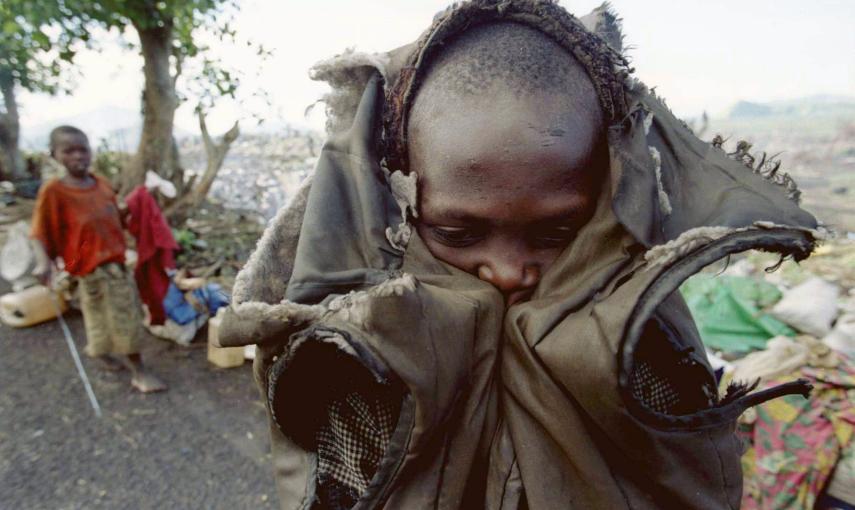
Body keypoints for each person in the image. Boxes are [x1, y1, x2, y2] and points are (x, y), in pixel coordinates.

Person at [219, 1, 821, 508]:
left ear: (606, 206)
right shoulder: (355, 351)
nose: (508, 271)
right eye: (458, 234)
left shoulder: (642, 343)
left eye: (556, 234)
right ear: (401, 203)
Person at [31, 125, 167, 393]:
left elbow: (116, 214)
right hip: (86, 271)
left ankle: (121, 361)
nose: (78, 156)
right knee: (98, 317)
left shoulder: (100, 183)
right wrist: (42, 262)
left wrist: (139, 202)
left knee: (124, 317)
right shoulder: (54, 192)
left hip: (115, 268)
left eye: (83, 149)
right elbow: (39, 231)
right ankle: (129, 367)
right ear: (54, 155)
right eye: (69, 151)